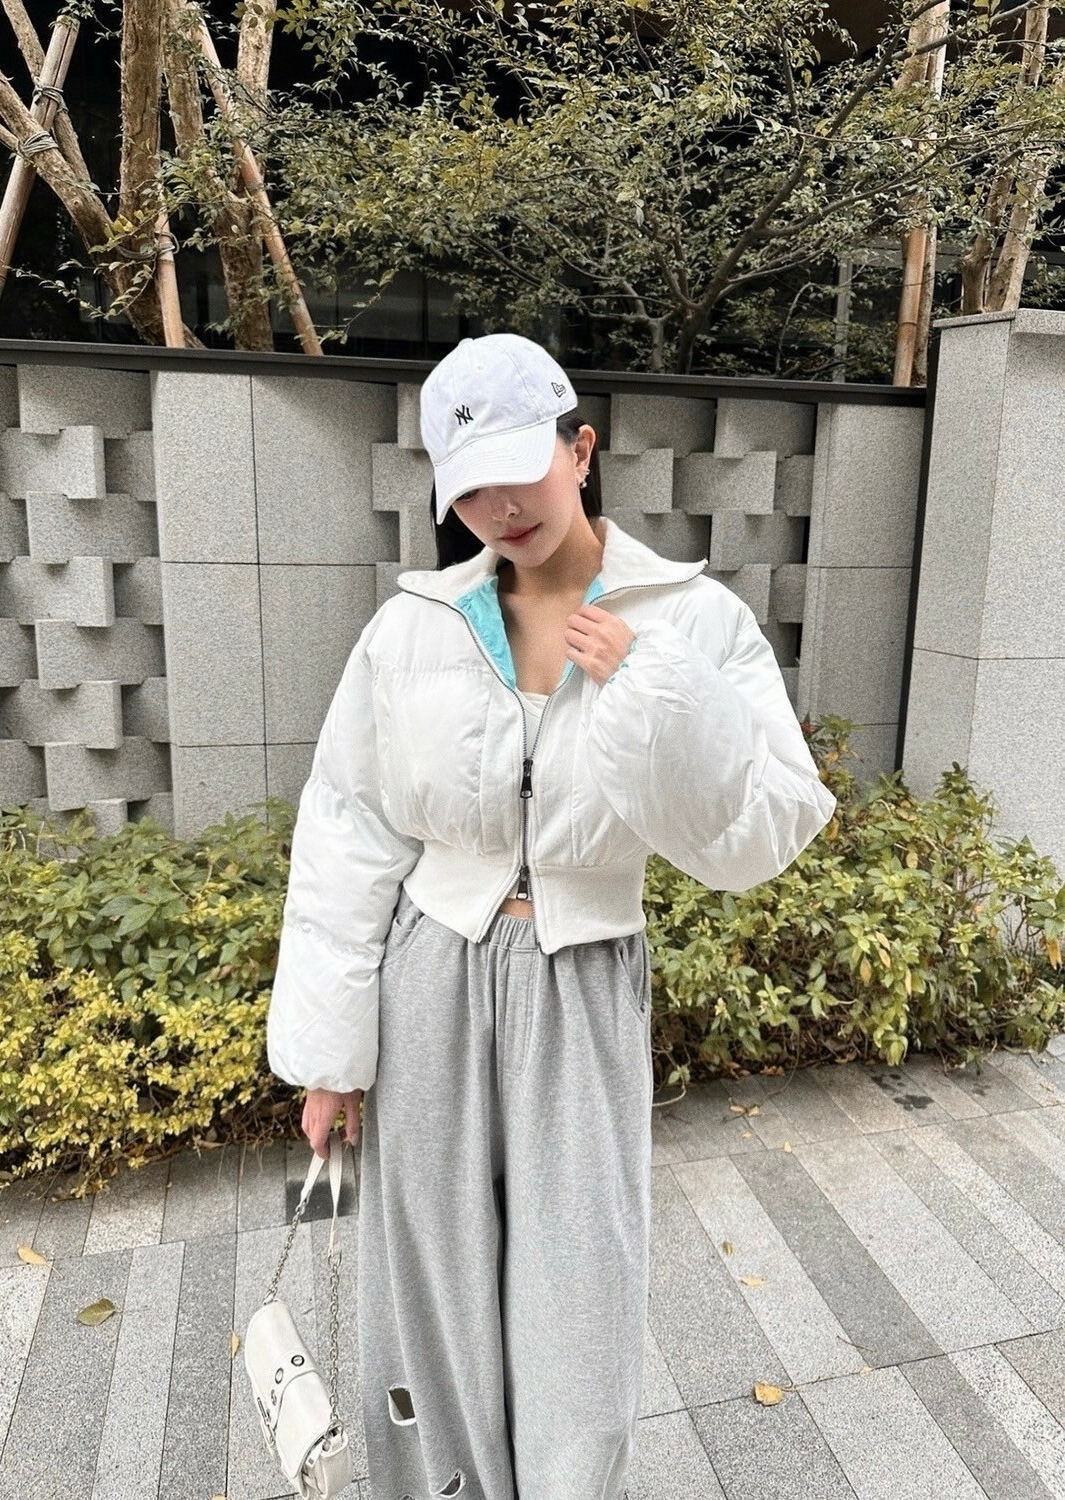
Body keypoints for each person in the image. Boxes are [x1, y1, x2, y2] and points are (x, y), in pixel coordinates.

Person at [266, 332, 838, 1500]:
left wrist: (652, 688)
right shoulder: (414, 624)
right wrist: (328, 1059)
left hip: (582, 974)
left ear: (581, 449)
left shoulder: (690, 620)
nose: (499, 508)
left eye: (518, 470)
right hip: (430, 971)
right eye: (468, 486)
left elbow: (762, 831)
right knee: (426, 1265)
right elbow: (348, 836)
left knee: (581, 1274)